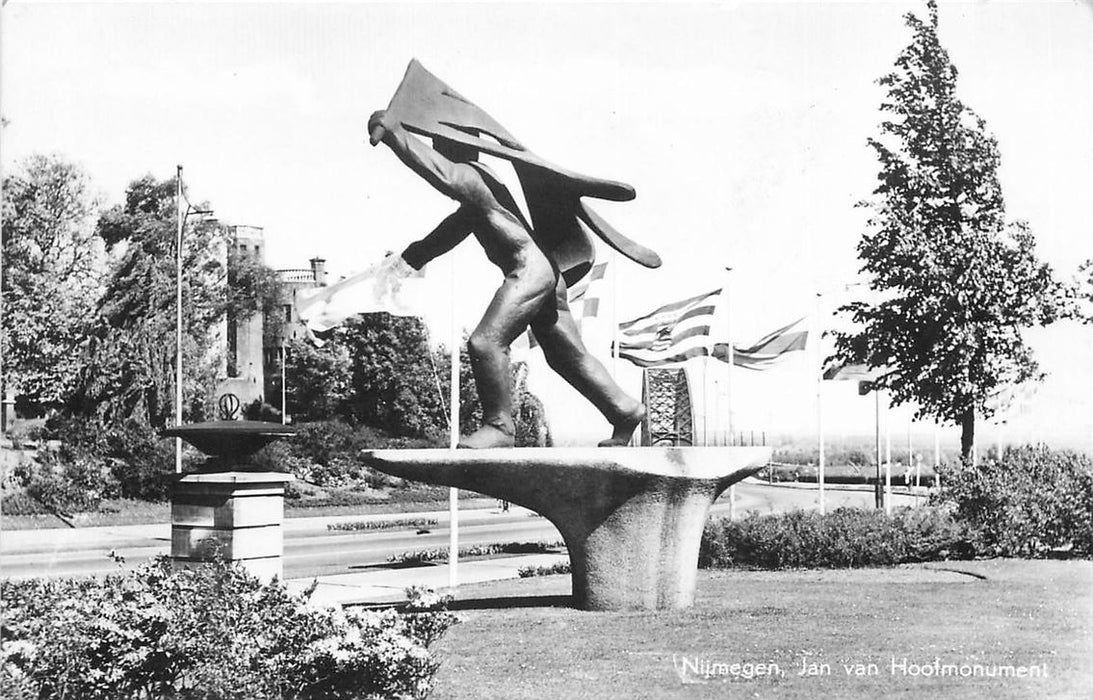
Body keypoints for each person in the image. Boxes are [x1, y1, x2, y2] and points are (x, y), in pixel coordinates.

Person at [368, 110, 645, 449]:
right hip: (546, 274)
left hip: (530, 271)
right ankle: (624, 410)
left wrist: (394, 132)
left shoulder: (469, 176)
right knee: (566, 356)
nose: (436, 148)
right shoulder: (481, 184)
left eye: (438, 142)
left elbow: (439, 172)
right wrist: (414, 257)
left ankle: (499, 427)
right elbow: (453, 230)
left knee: (485, 342)